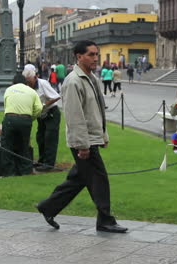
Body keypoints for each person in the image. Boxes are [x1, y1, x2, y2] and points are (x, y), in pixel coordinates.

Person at [36, 40, 127, 233]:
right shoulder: (73, 81)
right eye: (91, 55)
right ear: (79, 57)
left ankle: (48, 207)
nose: (96, 58)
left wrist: (102, 135)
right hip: (84, 142)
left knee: (79, 179)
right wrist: (83, 145)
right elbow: (74, 117)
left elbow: (96, 111)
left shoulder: (90, 77)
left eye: (97, 54)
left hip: (91, 138)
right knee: (99, 180)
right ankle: (105, 220)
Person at [0, 74, 43, 176]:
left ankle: (9, 172)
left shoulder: (9, 89)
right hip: (25, 120)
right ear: (26, 82)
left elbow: (6, 106)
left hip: (10, 118)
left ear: (13, 82)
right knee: (24, 145)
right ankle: (25, 171)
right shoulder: (32, 91)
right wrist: (31, 118)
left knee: (7, 146)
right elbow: (39, 108)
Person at [23, 66, 61, 172]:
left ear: (35, 77)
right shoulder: (27, 87)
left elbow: (56, 96)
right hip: (41, 115)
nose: (28, 84)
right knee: (40, 138)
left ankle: (49, 164)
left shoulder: (43, 83)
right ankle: (42, 160)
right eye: (26, 82)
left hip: (51, 113)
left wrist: (43, 105)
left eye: (29, 81)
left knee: (50, 138)